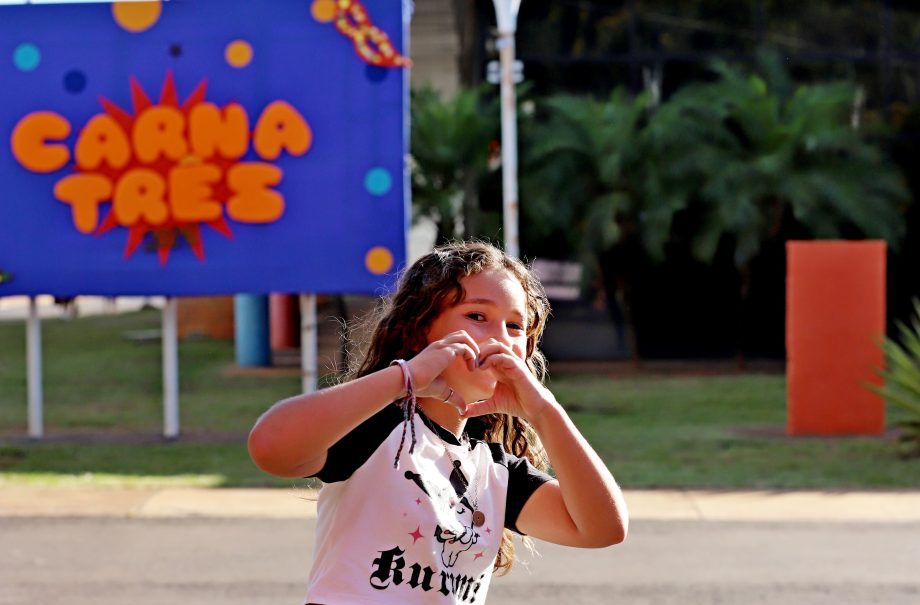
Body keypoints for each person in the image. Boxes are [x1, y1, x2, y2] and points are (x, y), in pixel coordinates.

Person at [248, 241, 628, 605]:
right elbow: (269, 446)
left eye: (515, 326)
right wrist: (406, 377)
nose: (500, 338)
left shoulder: (495, 471)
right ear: (420, 329)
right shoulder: (378, 430)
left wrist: (545, 411)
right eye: (477, 316)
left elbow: (603, 528)